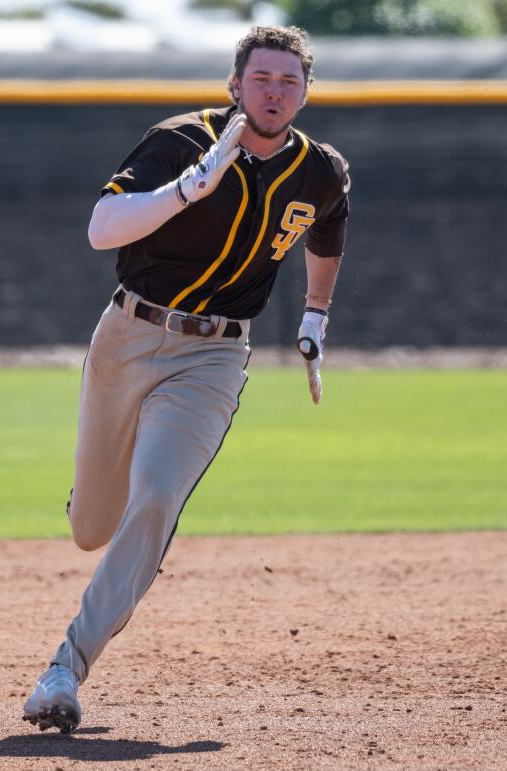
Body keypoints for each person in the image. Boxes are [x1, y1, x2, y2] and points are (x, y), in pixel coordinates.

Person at [22, 25, 350, 734]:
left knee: (158, 496)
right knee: (92, 527)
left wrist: (316, 316)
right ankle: (96, 489)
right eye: (261, 78)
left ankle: (64, 671)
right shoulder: (180, 140)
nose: (274, 91)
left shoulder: (319, 169)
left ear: (305, 93)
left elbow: (329, 228)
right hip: (130, 334)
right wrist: (187, 188)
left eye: (289, 81)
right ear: (235, 85)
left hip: (214, 356)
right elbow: (102, 227)